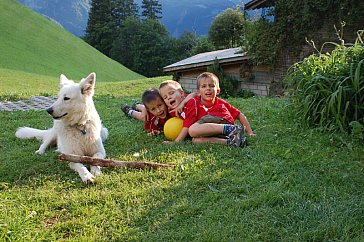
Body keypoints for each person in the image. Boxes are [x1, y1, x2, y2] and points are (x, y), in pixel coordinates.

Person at [187, 72, 255, 148]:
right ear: (198, 92)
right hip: (218, 133)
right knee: (195, 140)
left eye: (211, 86)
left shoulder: (221, 103)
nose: (208, 88)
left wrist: (250, 133)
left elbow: (240, 115)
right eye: (204, 86)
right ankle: (232, 141)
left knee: (192, 130)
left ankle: (231, 129)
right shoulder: (194, 103)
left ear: (218, 90)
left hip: (222, 120)